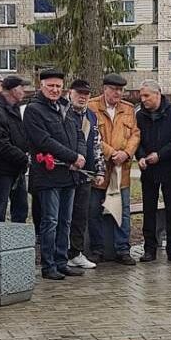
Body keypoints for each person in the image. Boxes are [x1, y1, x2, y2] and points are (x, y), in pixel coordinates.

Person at [23, 68, 86, 281]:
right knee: (50, 221)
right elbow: (43, 141)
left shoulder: (66, 107)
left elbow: (79, 134)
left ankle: (62, 261)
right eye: (50, 85)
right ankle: (48, 265)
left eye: (58, 86)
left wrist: (80, 156)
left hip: (70, 174)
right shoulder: (34, 110)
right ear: (41, 86)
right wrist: (71, 157)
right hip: (48, 175)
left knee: (65, 220)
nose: (54, 89)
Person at [89, 73, 139, 265]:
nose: (117, 93)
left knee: (123, 211)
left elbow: (135, 134)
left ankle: (123, 249)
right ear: (105, 89)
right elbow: (91, 136)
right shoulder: (92, 107)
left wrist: (126, 153)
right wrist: (111, 153)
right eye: (114, 89)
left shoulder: (128, 109)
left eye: (120, 90)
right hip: (100, 170)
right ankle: (97, 249)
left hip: (121, 171)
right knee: (94, 210)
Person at [135, 81, 171, 263]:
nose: (143, 100)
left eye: (146, 96)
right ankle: (150, 248)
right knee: (149, 210)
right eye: (141, 96)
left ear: (158, 94)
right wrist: (140, 156)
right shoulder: (140, 115)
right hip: (149, 170)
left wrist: (160, 155)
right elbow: (136, 139)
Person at [66, 80, 105, 269]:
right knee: (64, 216)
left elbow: (97, 144)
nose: (82, 97)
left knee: (81, 214)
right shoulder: (63, 112)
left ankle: (76, 252)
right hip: (65, 172)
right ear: (70, 93)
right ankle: (61, 252)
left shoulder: (91, 115)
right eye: (79, 93)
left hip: (86, 173)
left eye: (86, 94)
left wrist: (100, 170)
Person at [0, 74, 31, 223]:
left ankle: (18, 243)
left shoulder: (13, 110)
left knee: (21, 210)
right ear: (12, 90)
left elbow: (20, 137)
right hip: (1, 171)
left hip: (17, 170)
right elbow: (0, 144)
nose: (24, 91)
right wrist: (24, 158)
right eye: (22, 87)